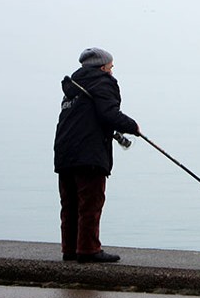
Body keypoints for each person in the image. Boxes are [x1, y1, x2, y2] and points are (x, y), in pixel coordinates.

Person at [53, 47, 140, 263]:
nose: (112, 72)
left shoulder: (73, 86)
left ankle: (70, 250)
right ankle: (89, 250)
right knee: (90, 203)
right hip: (89, 154)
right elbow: (109, 113)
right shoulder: (103, 82)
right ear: (102, 68)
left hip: (64, 153)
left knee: (70, 205)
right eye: (111, 67)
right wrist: (133, 126)